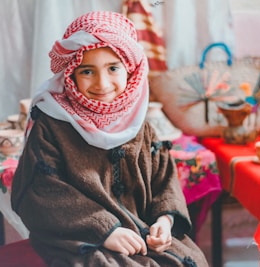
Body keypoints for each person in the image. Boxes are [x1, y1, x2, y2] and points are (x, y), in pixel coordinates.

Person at [11, 10, 209, 267]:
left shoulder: (139, 124)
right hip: (77, 237)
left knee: (191, 261)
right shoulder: (51, 124)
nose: (102, 84)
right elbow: (40, 191)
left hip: (142, 233)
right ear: (70, 73)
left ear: (130, 70)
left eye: (113, 68)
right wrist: (105, 230)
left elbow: (164, 181)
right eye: (87, 71)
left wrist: (164, 221)